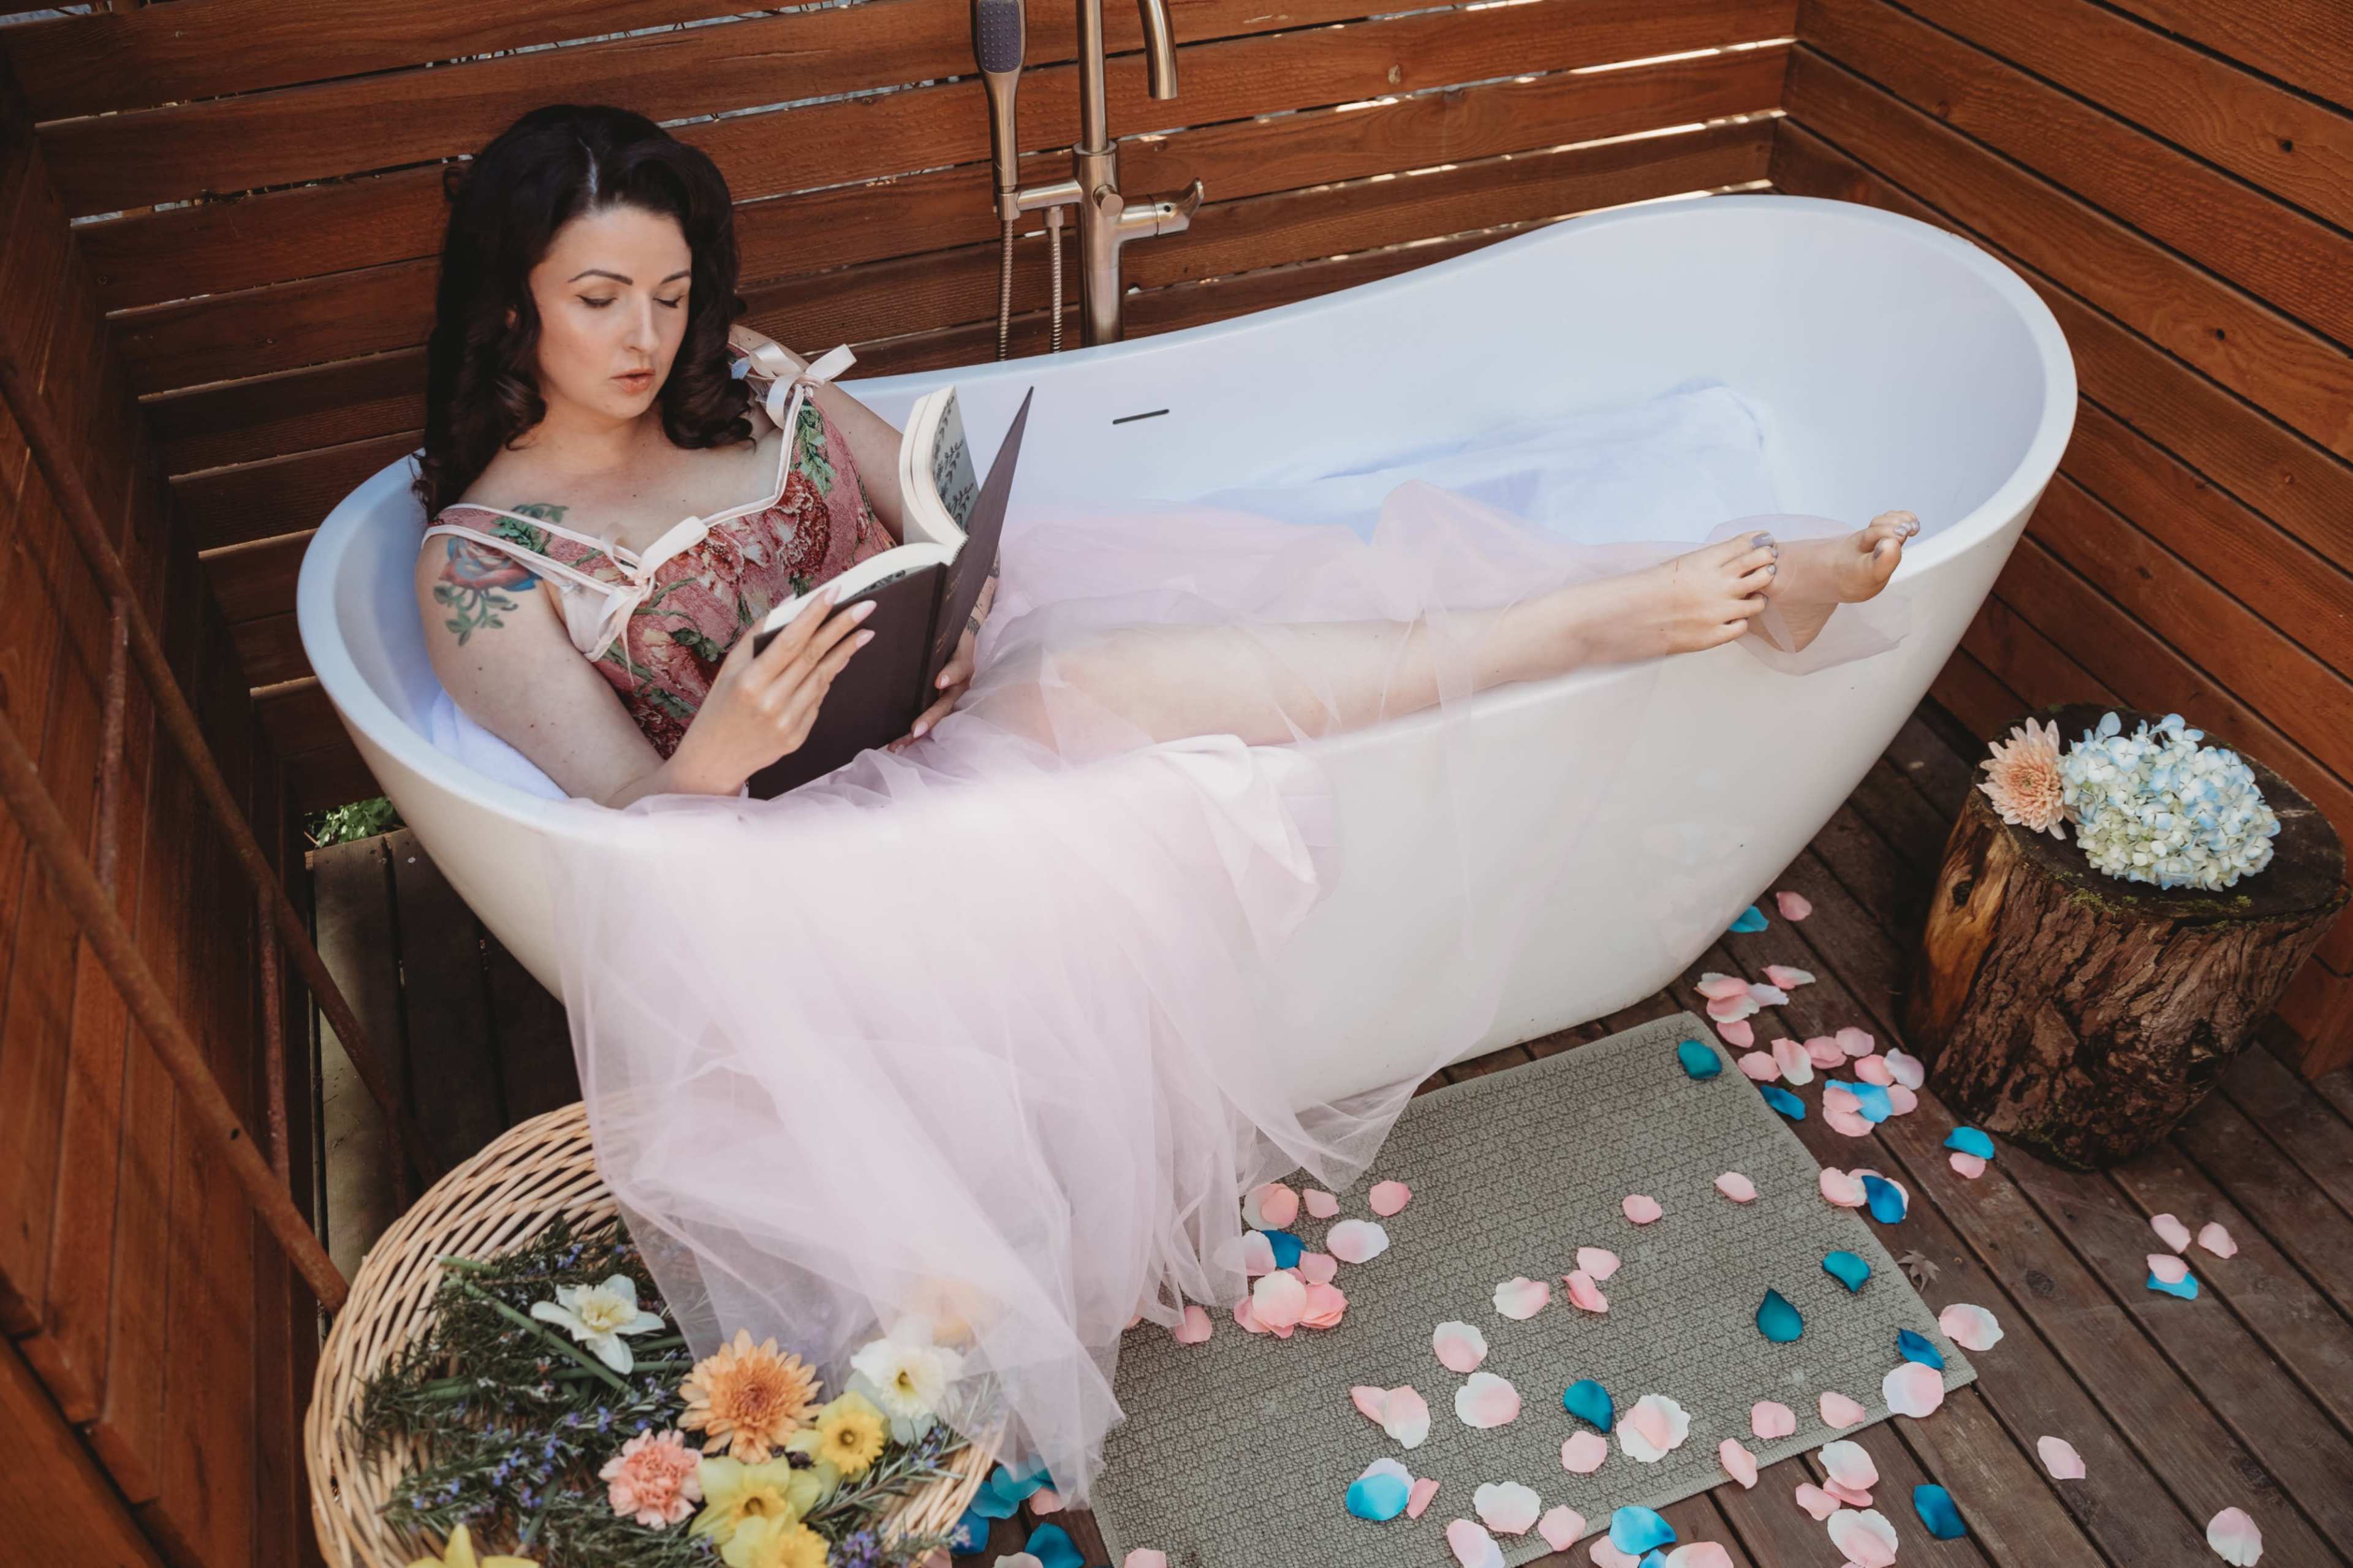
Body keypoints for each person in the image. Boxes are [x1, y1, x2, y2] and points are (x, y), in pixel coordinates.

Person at [411, 104, 1913, 1506]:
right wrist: (726, 743)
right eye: (600, 297)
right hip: (801, 843)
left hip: (946, 714)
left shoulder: (740, 373)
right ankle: (1597, 624)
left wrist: (965, 591)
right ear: (510, 301)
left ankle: (1659, 599)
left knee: (1198, 646)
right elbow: (626, 839)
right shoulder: (484, 567)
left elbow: (927, 502)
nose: (649, 332)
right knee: (1151, 684)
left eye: (671, 290)